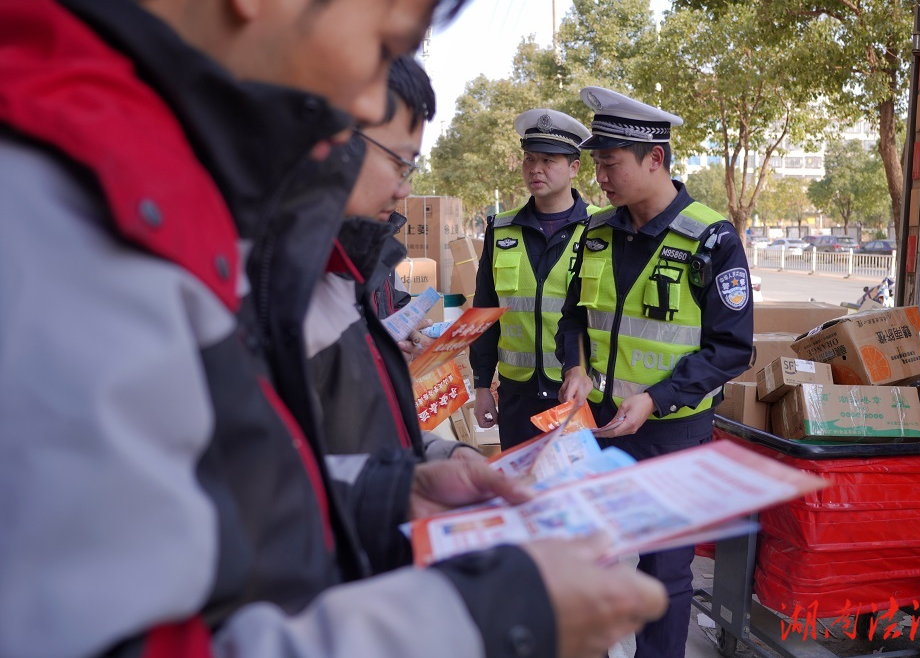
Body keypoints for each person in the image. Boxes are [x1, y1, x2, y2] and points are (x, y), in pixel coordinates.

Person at [0, 4, 667, 658]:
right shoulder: (66, 206)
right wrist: (489, 620)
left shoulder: (172, 203)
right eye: (383, 46)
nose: (361, 104)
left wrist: (383, 493)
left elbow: (234, 491)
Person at [557, 86, 754, 658]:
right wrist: (575, 366)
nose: (601, 179)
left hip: (674, 433)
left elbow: (731, 347)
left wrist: (657, 398)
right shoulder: (595, 232)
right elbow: (574, 317)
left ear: (655, 159)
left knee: (664, 577)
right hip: (596, 430)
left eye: (611, 164)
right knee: (584, 559)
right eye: (597, 166)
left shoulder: (710, 238)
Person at [305, 55, 474, 460]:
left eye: (410, 169)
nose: (404, 190)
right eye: (398, 164)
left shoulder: (365, 253)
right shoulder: (277, 284)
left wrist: (440, 458)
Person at [469, 108, 602, 449]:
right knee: (521, 490)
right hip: (518, 398)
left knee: (575, 493)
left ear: (574, 167)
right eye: (529, 159)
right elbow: (484, 312)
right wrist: (482, 386)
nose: (535, 169)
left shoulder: (602, 229)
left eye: (548, 160)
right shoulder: (500, 229)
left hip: (582, 394)